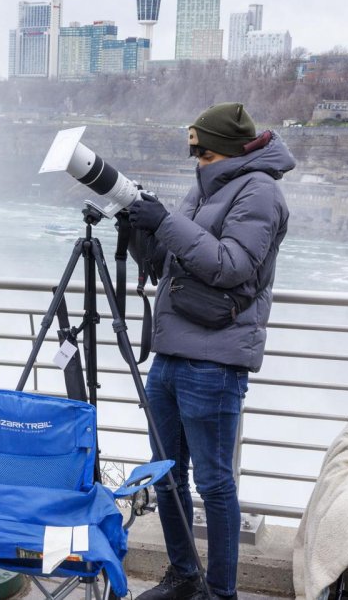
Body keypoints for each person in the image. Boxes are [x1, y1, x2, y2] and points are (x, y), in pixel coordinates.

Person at [127, 102, 294, 600]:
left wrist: (167, 223)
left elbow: (230, 265)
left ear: (220, 150)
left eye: (200, 153)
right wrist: (137, 227)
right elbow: (165, 262)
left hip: (216, 360)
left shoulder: (260, 191)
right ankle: (183, 577)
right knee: (166, 475)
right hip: (171, 351)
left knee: (215, 484)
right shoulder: (204, 188)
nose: (194, 162)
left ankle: (220, 593)